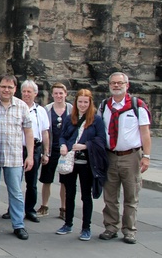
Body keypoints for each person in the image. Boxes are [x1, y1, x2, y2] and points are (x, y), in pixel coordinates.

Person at [99, 72, 152, 244]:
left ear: (127, 85)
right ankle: (110, 227)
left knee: (131, 195)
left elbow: (145, 133)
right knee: (110, 196)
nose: (116, 86)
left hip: (131, 156)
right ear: (109, 85)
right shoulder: (104, 106)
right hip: (110, 156)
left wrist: (147, 156)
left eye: (119, 83)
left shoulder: (137, 105)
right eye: (113, 83)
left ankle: (129, 230)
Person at [0, 74, 34, 240]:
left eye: (10, 87)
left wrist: (30, 155)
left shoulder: (21, 106)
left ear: (15, 89)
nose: (6, 90)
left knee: (16, 192)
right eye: (3, 86)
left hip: (14, 156)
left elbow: (28, 132)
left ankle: (18, 225)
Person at [56, 89, 108, 241]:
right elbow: (63, 136)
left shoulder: (96, 120)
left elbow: (101, 140)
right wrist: (63, 145)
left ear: (90, 102)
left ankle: (86, 227)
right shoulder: (70, 117)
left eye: (86, 102)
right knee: (69, 193)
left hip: (87, 162)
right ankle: (68, 223)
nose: (83, 105)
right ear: (76, 102)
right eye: (80, 102)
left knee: (86, 195)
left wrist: (85, 146)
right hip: (71, 160)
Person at [3, 80, 49, 223]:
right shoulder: (15, 107)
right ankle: (12, 209)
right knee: (14, 181)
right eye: (24, 91)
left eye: (29, 92)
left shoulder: (40, 111)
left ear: (35, 94)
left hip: (34, 148)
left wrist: (46, 152)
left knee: (32, 182)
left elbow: (45, 132)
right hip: (16, 147)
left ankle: (29, 209)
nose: (26, 94)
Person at [39, 83, 72, 219]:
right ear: (52, 95)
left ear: (65, 94)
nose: (58, 96)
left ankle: (64, 208)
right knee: (47, 179)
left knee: (65, 179)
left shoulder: (71, 109)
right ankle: (44, 206)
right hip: (51, 148)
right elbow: (44, 130)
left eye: (61, 93)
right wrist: (45, 151)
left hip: (66, 150)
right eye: (56, 93)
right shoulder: (47, 109)